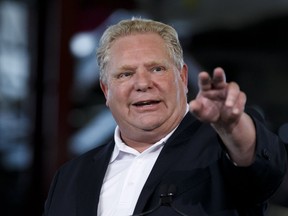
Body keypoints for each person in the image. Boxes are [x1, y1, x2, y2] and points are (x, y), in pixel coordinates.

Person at [43, 18, 287, 216]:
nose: (142, 83)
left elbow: (261, 163)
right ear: (107, 91)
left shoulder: (220, 147)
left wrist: (232, 126)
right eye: (125, 74)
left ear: (182, 78)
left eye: (156, 69)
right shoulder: (70, 176)